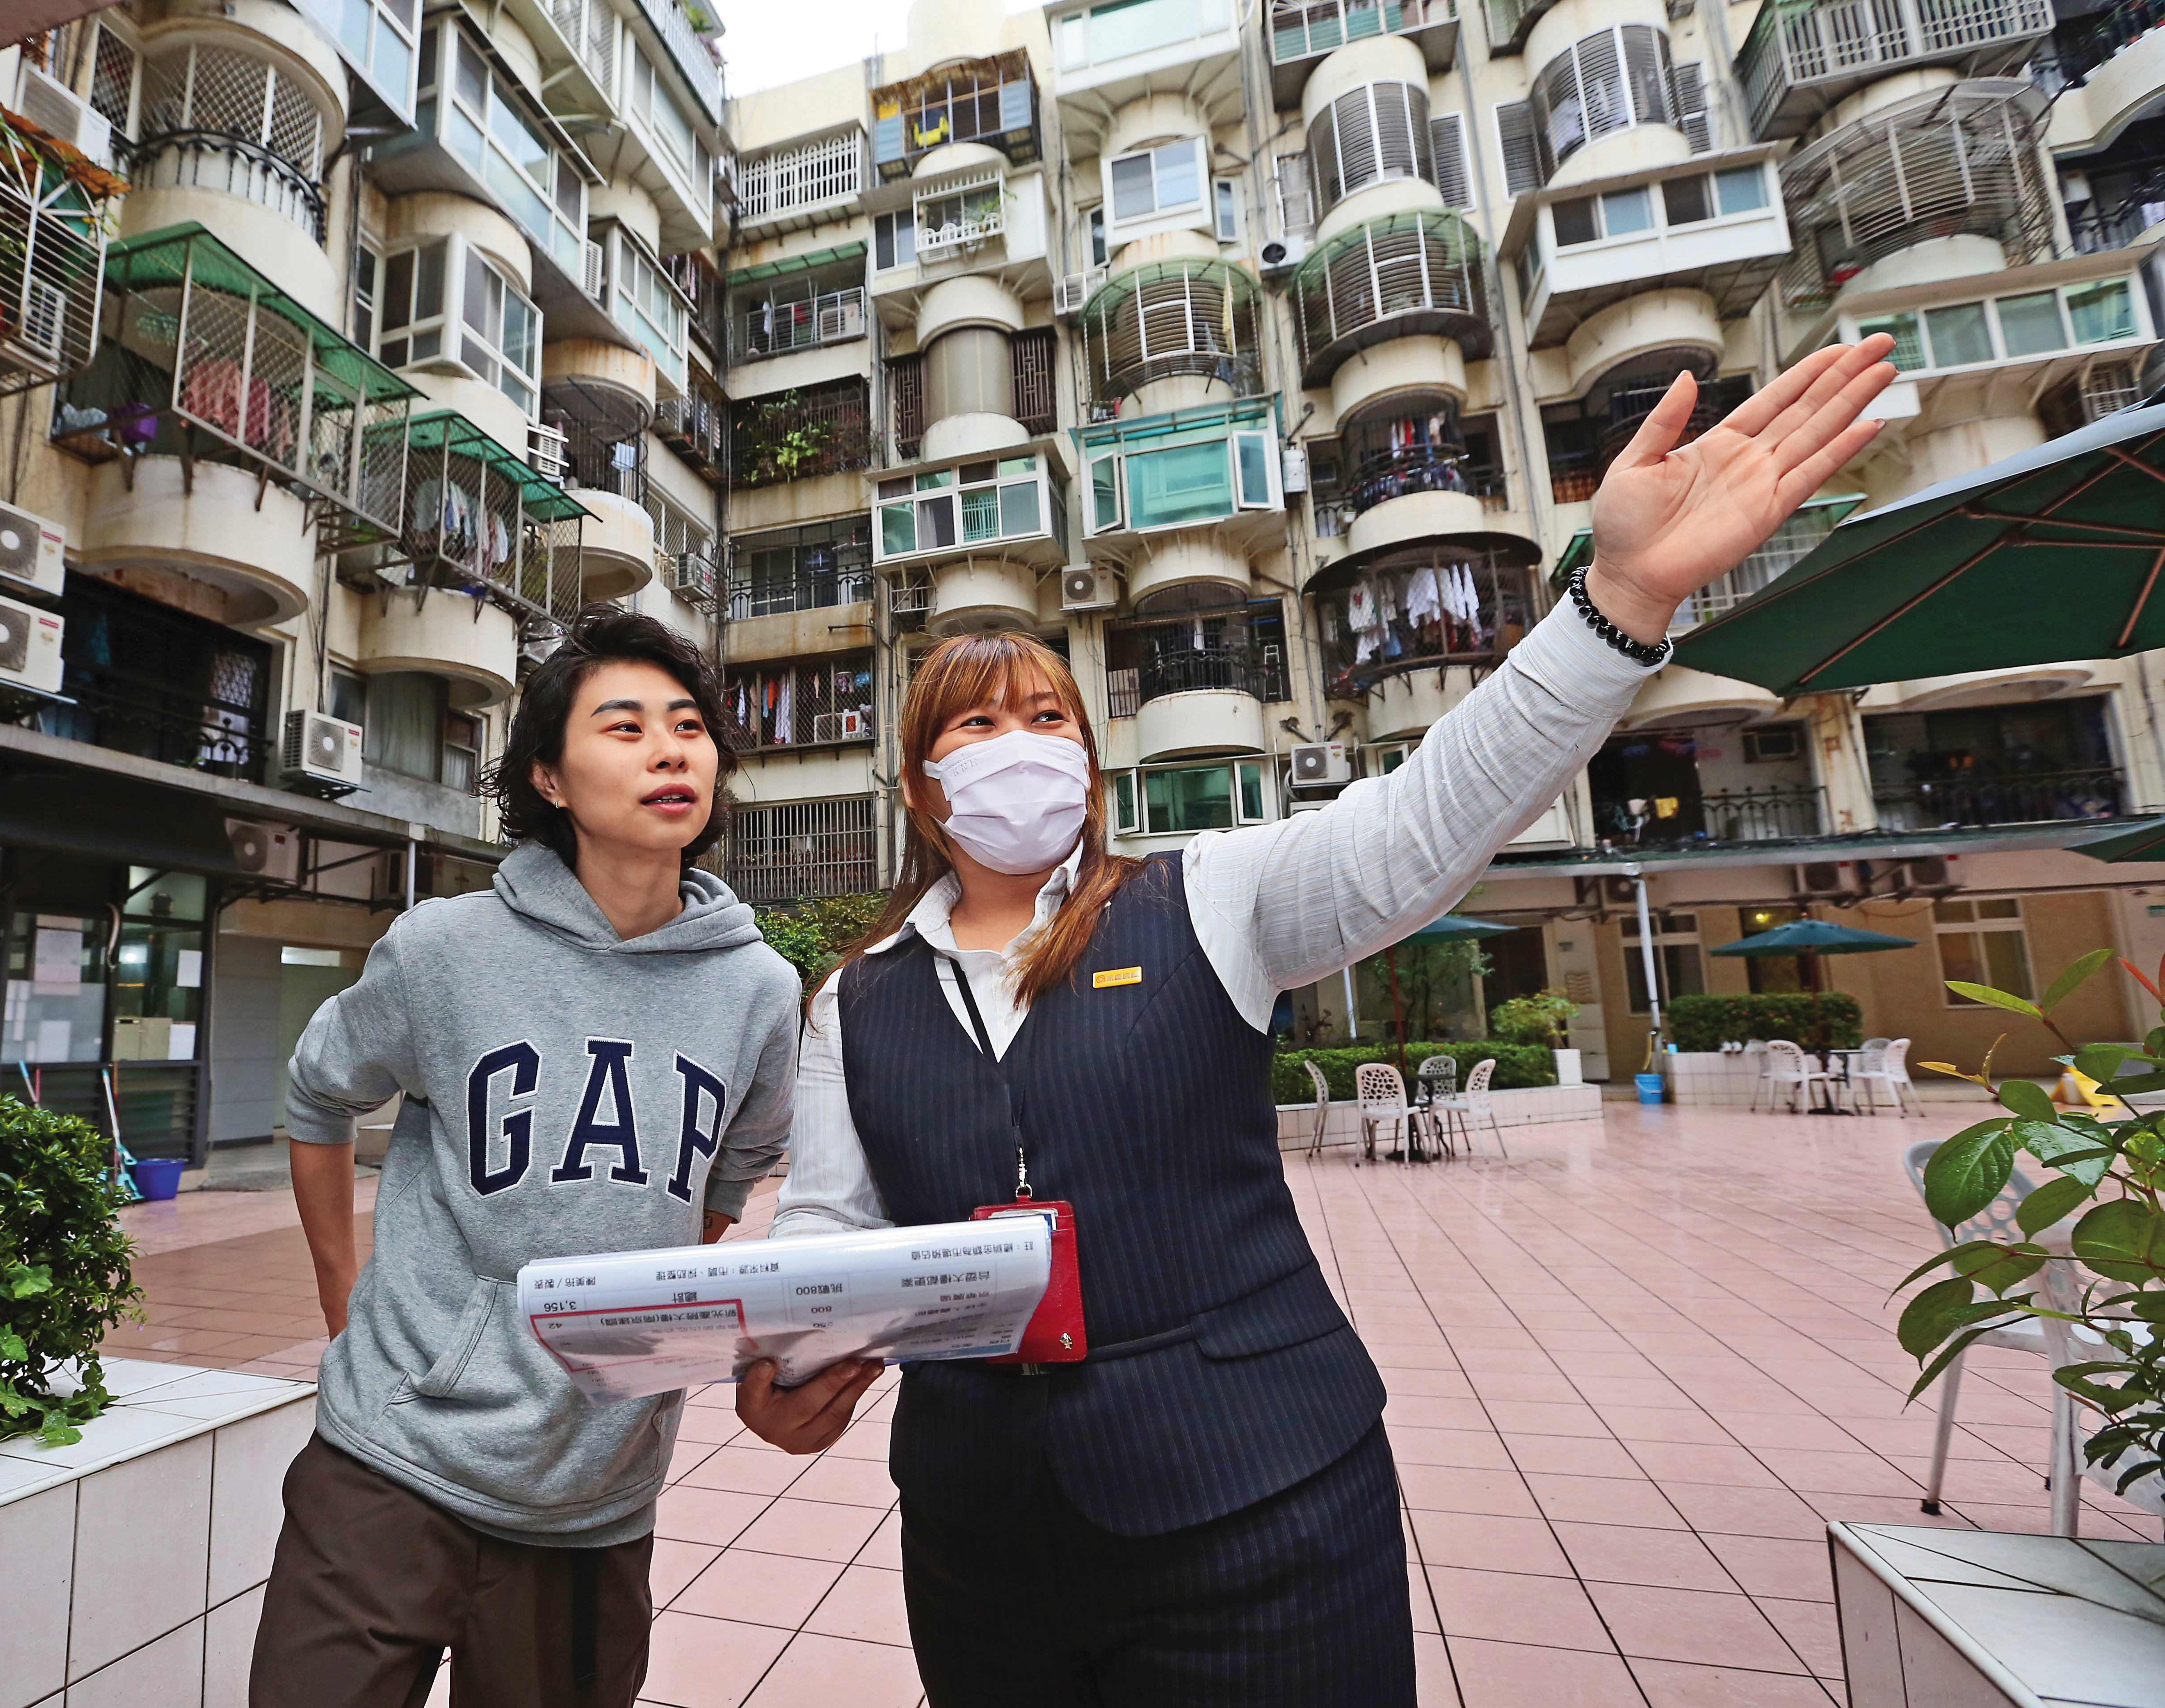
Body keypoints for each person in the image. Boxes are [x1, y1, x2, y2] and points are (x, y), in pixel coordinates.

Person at [738, 342, 1903, 1706]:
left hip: (1261, 1509)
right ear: (926, 787)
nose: (1024, 741)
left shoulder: (1211, 896)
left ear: (1089, 760)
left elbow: (1420, 823)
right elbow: (830, 1223)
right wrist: (791, 1354)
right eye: (981, 724)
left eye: (1050, 716)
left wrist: (1620, 598)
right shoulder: (860, 992)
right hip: (985, 1537)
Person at [249, 606, 821, 1708]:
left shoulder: (757, 989)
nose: (669, 749)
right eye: (625, 726)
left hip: (595, 1489)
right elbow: (319, 1093)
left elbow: (727, 1184)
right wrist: (341, 1295)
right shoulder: (445, 950)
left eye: (690, 726)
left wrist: (638, 1337)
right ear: (550, 780)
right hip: (390, 1456)